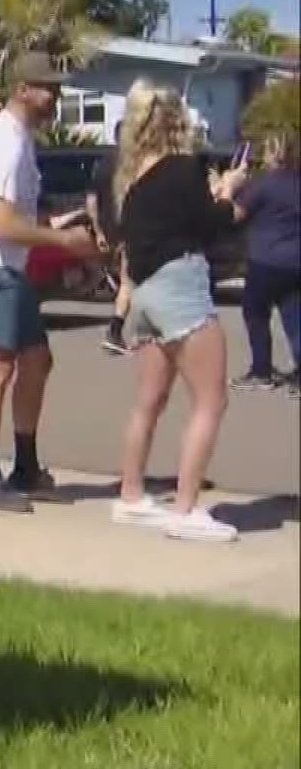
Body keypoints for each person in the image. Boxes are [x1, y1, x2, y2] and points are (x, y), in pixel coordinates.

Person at [0, 53, 100, 513]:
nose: (54, 96)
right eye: (46, 88)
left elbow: (21, 217)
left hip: (8, 269)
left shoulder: (22, 141)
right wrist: (63, 240)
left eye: (55, 88)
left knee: (37, 360)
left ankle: (27, 468)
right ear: (21, 89)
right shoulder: (2, 142)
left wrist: (66, 224)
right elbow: (0, 225)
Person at [108, 80, 250, 541]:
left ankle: (131, 495)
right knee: (211, 399)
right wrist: (229, 195)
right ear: (176, 121)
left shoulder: (130, 181)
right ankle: (186, 510)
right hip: (180, 286)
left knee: (149, 401)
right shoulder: (185, 169)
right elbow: (210, 227)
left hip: (144, 293)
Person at [230, 133, 301, 395]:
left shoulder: (262, 185)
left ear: (275, 155)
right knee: (294, 317)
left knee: (256, 313)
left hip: (266, 259)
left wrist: (228, 190)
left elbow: (237, 214)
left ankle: (262, 371)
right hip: (295, 262)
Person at [84, 127, 134, 356]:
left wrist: (99, 231)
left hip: (110, 229)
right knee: (129, 282)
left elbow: (92, 201)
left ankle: (122, 331)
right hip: (130, 230)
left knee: (128, 280)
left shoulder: (103, 163)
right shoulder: (134, 163)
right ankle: (115, 331)